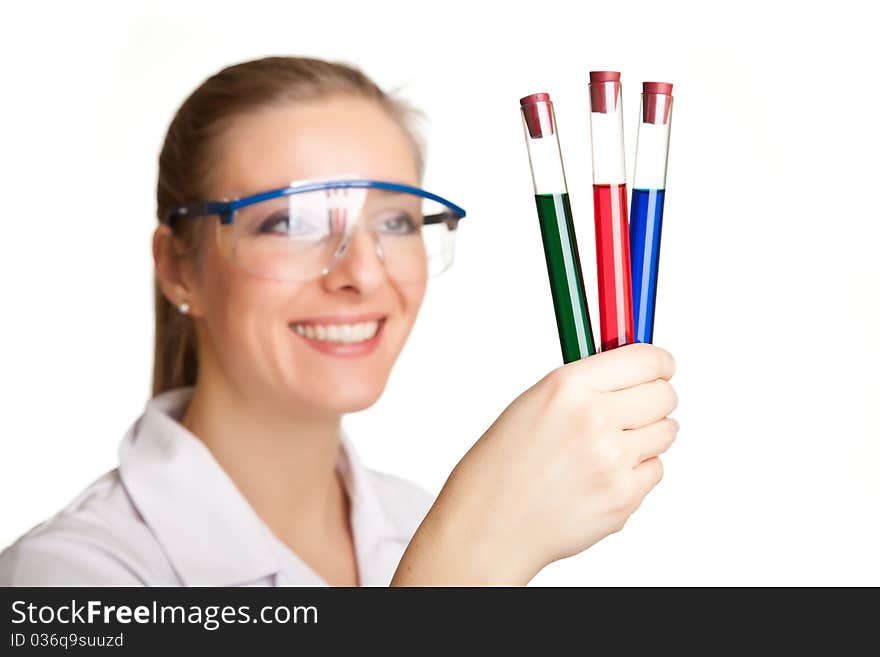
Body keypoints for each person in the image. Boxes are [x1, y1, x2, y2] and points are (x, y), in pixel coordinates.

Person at [0, 56, 678, 586]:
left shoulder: (414, 519)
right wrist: (470, 564)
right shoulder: (71, 578)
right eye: (290, 221)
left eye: (393, 221)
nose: (362, 272)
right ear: (179, 267)